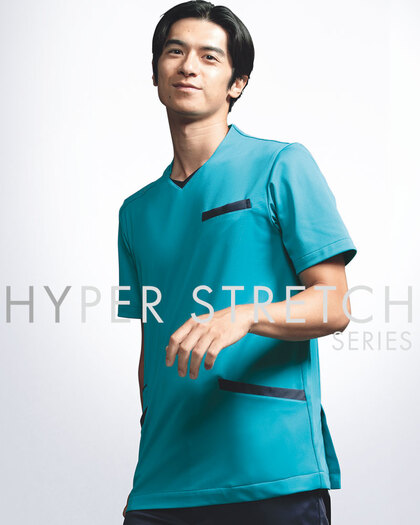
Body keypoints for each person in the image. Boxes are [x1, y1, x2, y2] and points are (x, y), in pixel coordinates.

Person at [117, 1, 357, 523]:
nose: (188, 66)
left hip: (269, 470)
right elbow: (151, 338)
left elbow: (334, 305)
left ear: (237, 83)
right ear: (156, 72)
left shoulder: (281, 165)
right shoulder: (136, 212)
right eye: (175, 52)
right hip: (163, 480)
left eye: (209, 57)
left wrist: (244, 315)